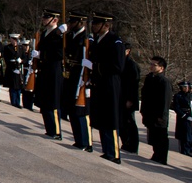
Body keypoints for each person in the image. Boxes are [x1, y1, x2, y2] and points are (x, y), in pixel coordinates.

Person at [89, 12, 126, 164]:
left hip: (110, 84)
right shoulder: (98, 40)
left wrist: (96, 67)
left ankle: (114, 152)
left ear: (106, 25)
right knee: (103, 117)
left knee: (111, 118)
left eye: (97, 24)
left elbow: (118, 66)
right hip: (100, 83)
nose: (94, 27)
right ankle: (107, 149)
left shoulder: (115, 41)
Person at [60, 11, 92, 151]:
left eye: (73, 22)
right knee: (72, 110)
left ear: (80, 22)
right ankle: (78, 140)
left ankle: (86, 142)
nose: (70, 24)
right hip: (70, 76)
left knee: (81, 112)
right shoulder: (68, 37)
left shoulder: (86, 39)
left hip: (80, 77)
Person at [33, 9, 64, 140]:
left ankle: (56, 131)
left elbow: (58, 54)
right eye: (44, 18)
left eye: (47, 18)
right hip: (44, 71)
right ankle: (49, 128)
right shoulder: (45, 33)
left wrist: (41, 55)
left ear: (55, 20)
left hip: (53, 71)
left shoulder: (59, 36)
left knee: (53, 101)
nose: (44, 20)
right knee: (45, 101)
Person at [140, 55, 173, 165]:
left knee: (161, 137)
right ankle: (156, 154)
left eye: (154, 65)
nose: (151, 67)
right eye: (151, 64)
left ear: (161, 68)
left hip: (159, 114)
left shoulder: (164, 82)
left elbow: (165, 100)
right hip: (150, 113)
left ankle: (161, 157)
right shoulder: (150, 78)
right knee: (153, 136)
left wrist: (162, 116)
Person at [119, 43, 141, 154]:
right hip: (121, 97)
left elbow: (134, 84)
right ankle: (125, 142)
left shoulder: (132, 65)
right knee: (121, 122)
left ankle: (132, 145)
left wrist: (130, 99)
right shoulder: (121, 63)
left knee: (130, 122)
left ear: (128, 51)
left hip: (128, 99)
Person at [172, 80, 192, 157]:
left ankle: (188, 149)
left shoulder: (191, 95)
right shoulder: (178, 96)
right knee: (183, 134)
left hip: (191, 116)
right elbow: (176, 107)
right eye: (184, 87)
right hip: (183, 117)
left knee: (190, 134)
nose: (186, 88)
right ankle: (184, 150)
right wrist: (183, 115)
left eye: (187, 87)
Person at [3, 34, 25, 108]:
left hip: (18, 69)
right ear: (11, 39)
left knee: (18, 87)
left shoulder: (21, 48)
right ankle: (13, 101)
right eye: (13, 39)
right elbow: (6, 58)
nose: (15, 41)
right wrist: (12, 64)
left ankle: (17, 102)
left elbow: (25, 58)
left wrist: (21, 61)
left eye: (16, 39)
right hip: (11, 69)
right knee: (12, 86)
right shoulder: (7, 48)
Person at [21, 39, 37, 111]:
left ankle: (30, 105)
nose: (26, 47)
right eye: (25, 46)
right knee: (25, 89)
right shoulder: (22, 53)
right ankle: (25, 104)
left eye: (27, 46)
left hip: (30, 73)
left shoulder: (31, 54)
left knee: (31, 90)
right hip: (24, 71)